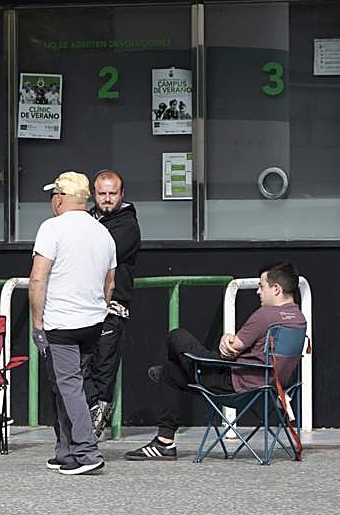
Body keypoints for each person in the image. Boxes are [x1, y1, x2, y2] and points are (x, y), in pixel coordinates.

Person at [127, 262, 306, 461]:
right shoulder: (299, 319)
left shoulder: (265, 315)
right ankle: (168, 392)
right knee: (172, 373)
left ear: (276, 289)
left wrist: (225, 338)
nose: (258, 292)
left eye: (262, 286)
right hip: (270, 390)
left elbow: (232, 348)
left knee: (176, 337)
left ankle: (164, 442)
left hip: (235, 385)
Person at [29, 171, 116, 476]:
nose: (52, 201)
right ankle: (65, 452)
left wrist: (37, 323)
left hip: (61, 323)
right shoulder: (103, 233)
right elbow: (110, 283)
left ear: (61, 198)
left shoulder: (52, 228)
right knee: (64, 383)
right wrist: (99, 310)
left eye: (54, 195)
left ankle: (87, 451)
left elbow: (38, 277)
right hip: (92, 322)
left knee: (68, 386)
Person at [83, 170, 141, 437]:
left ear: (122, 194)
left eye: (112, 193)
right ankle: (89, 418)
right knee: (76, 365)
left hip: (112, 307)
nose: (106, 199)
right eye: (102, 193)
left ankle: (95, 422)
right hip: (82, 306)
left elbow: (102, 253)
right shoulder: (88, 219)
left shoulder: (128, 225)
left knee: (103, 369)